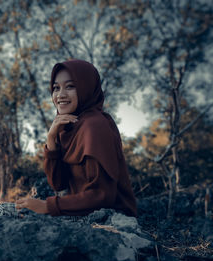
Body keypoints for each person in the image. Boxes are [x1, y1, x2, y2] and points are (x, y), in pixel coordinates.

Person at [16, 59, 137, 217]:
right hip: (84, 214)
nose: (61, 95)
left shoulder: (95, 126)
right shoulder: (69, 125)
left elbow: (102, 196)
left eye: (70, 86)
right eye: (56, 88)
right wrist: (51, 140)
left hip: (114, 219)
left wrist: (48, 206)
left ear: (85, 88)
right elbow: (59, 184)